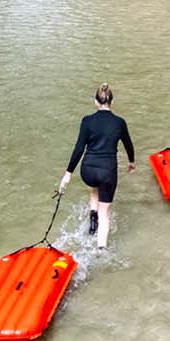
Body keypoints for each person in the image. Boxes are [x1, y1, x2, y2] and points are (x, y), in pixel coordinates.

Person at [57, 84, 133, 249]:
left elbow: (79, 148)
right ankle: (100, 248)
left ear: (95, 102)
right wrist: (131, 162)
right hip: (107, 171)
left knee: (94, 188)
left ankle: (93, 220)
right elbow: (128, 145)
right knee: (105, 212)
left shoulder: (87, 121)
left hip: (88, 170)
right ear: (112, 101)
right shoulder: (119, 123)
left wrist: (68, 173)